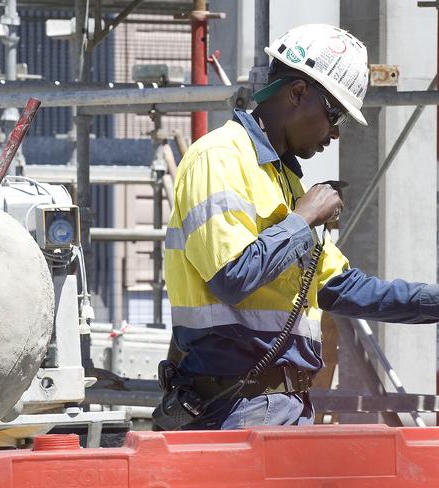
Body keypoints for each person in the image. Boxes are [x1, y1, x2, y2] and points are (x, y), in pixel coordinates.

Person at [160, 24, 439, 430]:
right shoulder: (219, 159)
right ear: (296, 92)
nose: (336, 131)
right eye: (335, 113)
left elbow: (342, 288)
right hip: (235, 408)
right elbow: (231, 277)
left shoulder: (283, 180)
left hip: (282, 406)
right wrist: (304, 218)